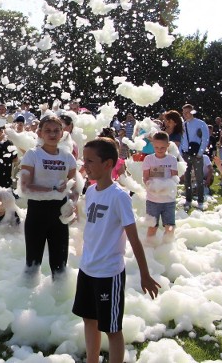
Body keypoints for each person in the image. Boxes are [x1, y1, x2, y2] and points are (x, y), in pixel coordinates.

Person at [73, 138, 160, 363]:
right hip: (87, 269)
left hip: (108, 273)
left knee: (111, 329)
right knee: (89, 320)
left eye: (90, 161)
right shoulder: (91, 192)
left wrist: (145, 274)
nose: (85, 165)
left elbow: (133, 239)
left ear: (108, 163)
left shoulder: (119, 196)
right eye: (84, 160)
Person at [20, 116, 77, 279]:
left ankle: (58, 300)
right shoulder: (33, 154)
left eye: (56, 131)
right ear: (40, 133)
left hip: (59, 213)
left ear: (62, 133)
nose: (52, 134)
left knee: (60, 265)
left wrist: (73, 202)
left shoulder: (67, 156)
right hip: (37, 211)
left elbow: (74, 187)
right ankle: (25, 299)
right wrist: (52, 189)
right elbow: (25, 187)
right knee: (32, 262)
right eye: (48, 131)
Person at [143, 132, 179, 245]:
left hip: (169, 200)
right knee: (152, 226)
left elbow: (174, 177)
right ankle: (150, 248)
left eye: (162, 147)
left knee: (170, 227)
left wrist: (168, 188)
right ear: (152, 144)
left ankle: (166, 250)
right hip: (153, 200)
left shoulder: (172, 159)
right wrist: (150, 186)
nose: (159, 149)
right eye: (156, 147)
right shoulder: (148, 159)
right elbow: (145, 177)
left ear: (168, 145)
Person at [180, 104, 209, 211]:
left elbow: (205, 139)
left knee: (199, 177)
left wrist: (200, 153)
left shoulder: (200, 123)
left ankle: (200, 200)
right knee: (187, 178)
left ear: (192, 112)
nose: (185, 115)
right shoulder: (183, 124)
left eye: (187, 112)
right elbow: (182, 140)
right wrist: (180, 153)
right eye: (183, 113)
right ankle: (188, 199)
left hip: (197, 154)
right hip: (186, 154)